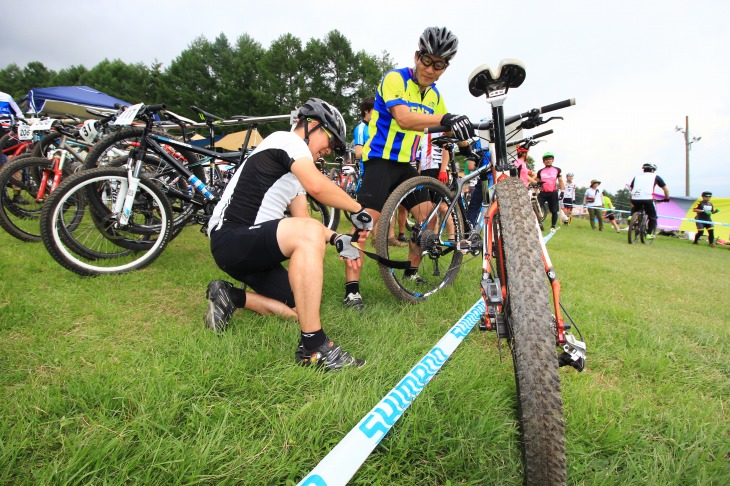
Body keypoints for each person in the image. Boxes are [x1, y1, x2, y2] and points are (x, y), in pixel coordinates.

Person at [205, 98, 374, 371]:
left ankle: (230, 297)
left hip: (248, 251)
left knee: (300, 306)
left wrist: (336, 238)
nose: (329, 150)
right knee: (308, 237)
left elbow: (304, 223)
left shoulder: (294, 175)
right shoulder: (286, 140)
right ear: (312, 126)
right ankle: (314, 347)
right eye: (330, 140)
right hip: (232, 237)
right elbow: (318, 189)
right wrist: (358, 209)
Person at [342, 26, 474, 310]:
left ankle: (411, 272)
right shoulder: (395, 79)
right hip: (380, 162)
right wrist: (448, 118)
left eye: (438, 64)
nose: (430, 68)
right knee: (363, 225)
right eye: (426, 60)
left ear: (445, 68)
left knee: (429, 220)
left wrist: (466, 143)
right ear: (417, 56)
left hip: (407, 167)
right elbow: (404, 119)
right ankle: (352, 290)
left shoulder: (435, 96)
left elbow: (444, 128)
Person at [629, 163, 670, 240]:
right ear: (652, 170)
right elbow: (666, 190)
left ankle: (631, 216)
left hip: (634, 198)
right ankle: (648, 234)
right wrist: (666, 198)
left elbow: (632, 188)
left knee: (635, 206)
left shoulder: (636, 177)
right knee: (653, 217)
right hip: (647, 199)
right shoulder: (656, 177)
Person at [536, 152, 564, 232]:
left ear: (552, 160)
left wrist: (562, 191)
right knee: (535, 208)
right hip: (543, 193)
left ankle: (553, 226)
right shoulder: (540, 171)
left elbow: (561, 181)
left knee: (554, 210)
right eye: (546, 159)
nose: (548, 161)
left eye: (550, 159)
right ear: (543, 161)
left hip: (553, 192)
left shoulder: (557, 170)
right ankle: (538, 224)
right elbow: (536, 182)